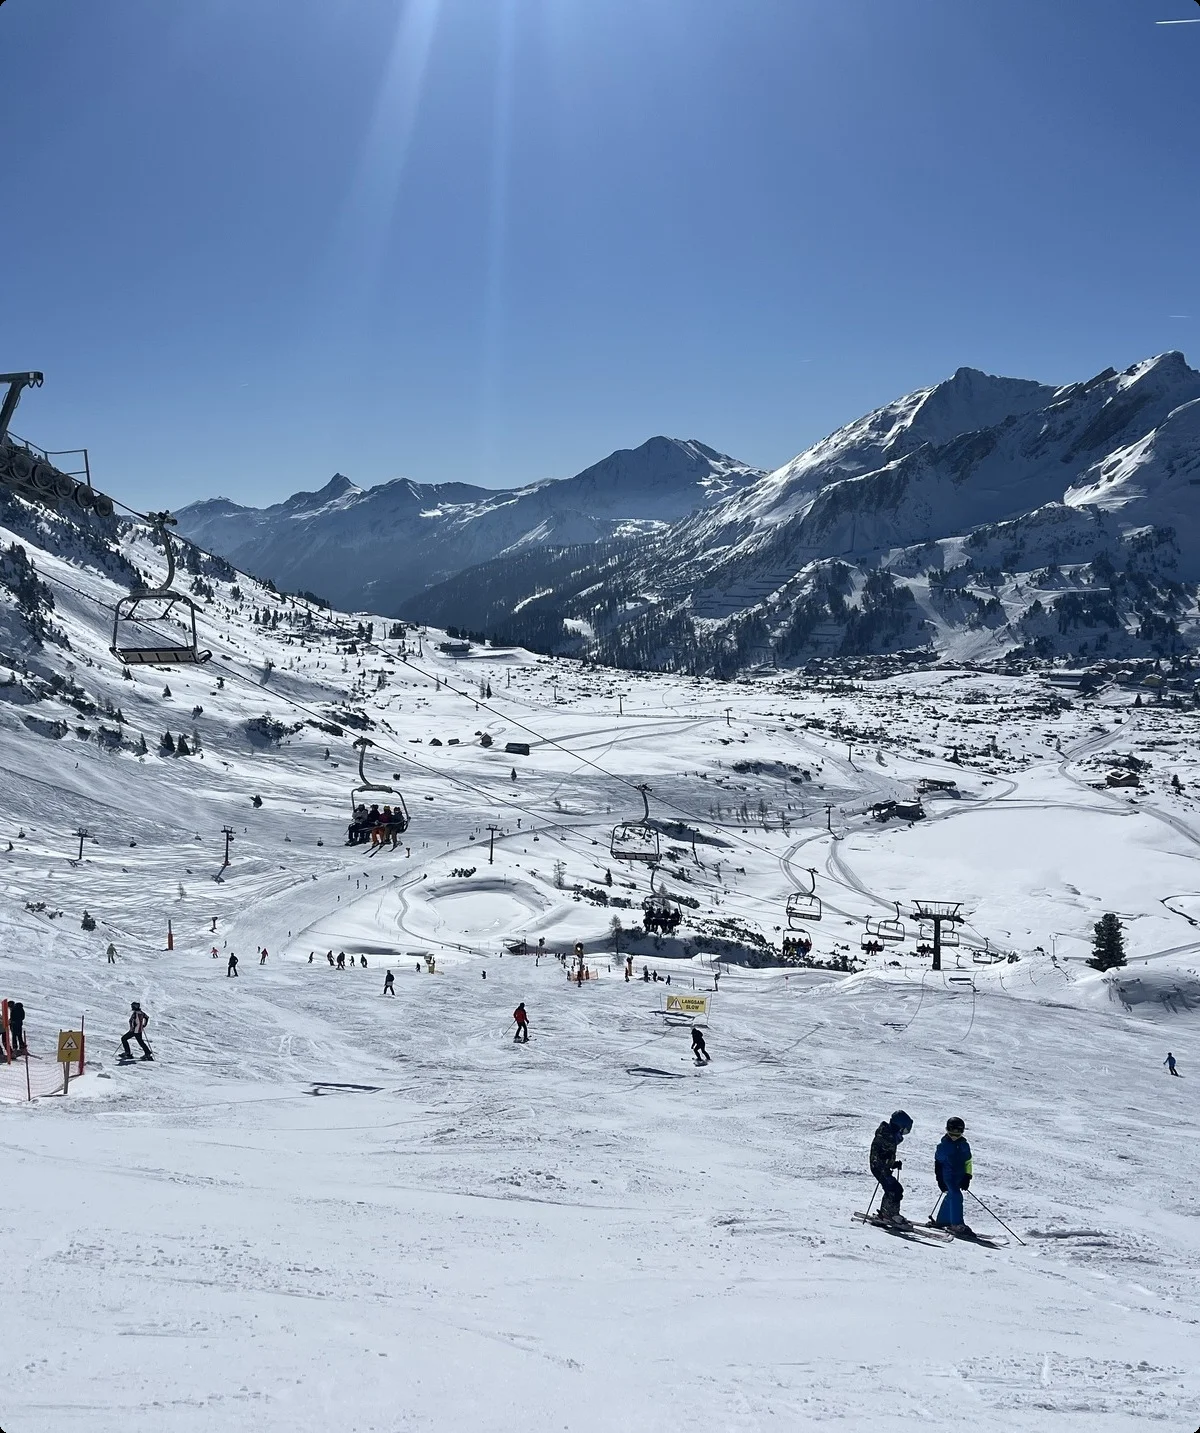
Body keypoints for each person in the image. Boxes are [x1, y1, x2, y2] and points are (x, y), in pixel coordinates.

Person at [869, 1110, 913, 1224]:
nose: (903, 1134)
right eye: (904, 1130)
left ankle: (888, 1213)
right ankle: (889, 1215)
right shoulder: (885, 1135)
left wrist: (892, 1163)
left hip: (882, 1167)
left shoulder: (889, 1135)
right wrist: (884, 1159)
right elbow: (877, 1153)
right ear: (899, 1126)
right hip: (879, 1167)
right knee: (894, 1189)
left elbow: (885, 1153)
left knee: (892, 1189)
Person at [933, 1117, 974, 1233]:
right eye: (951, 1132)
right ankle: (956, 1224)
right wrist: (940, 1179)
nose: (954, 1136)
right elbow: (938, 1163)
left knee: (951, 1196)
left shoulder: (964, 1145)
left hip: (959, 1177)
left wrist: (967, 1176)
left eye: (958, 1132)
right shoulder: (943, 1146)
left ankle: (943, 1220)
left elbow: (968, 1162)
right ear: (947, 1130)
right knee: (956, 1195)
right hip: (948, 1177)